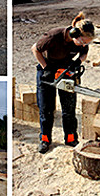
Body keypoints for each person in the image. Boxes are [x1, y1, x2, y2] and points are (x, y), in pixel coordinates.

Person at [31, 11, 95, 154]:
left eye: (86, 42)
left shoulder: (82, 42)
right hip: (47, 70)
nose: (84, 44)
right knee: (46, 109)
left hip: (66, 70)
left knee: (69, 108)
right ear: (74, 34)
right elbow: (35, 49)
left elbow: (84, 53)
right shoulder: (53, 36)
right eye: (83, 41)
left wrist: (78, 62)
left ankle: (71, 137)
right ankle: (45, 139)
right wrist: (46, 68)